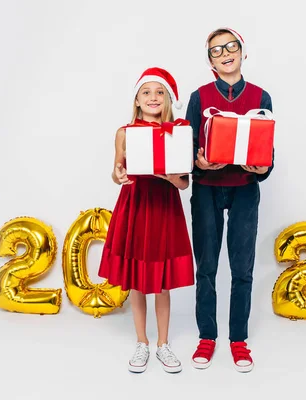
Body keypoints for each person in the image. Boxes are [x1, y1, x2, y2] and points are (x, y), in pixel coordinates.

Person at [185, 27, 274, 373]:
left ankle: (239, 340)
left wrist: (262, 167)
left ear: (243, 52)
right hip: (207, 187)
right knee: (206, 266)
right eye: (216, 50)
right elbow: (188, 148)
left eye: (230, 46)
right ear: (210, 62)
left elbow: (268, 150)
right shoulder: (199, 96)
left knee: (243, 269)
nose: (225, 53)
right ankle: (207, 336)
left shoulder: (261, 97)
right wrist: (198, 161)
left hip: (245, 188)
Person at [98, 67, 194, 374]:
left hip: (164, 209)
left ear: (167, 99)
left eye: (159, 92)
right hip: (136, 206)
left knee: (162, 284)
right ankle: (142, 342)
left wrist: (167, 176)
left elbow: (183, 184)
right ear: (137, 100)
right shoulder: (124, 132)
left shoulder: (178, 133)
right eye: (146, 92)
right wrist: (118, 175)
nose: (153, 97)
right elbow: (117, 171)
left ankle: (163, 344)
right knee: (138, 284)